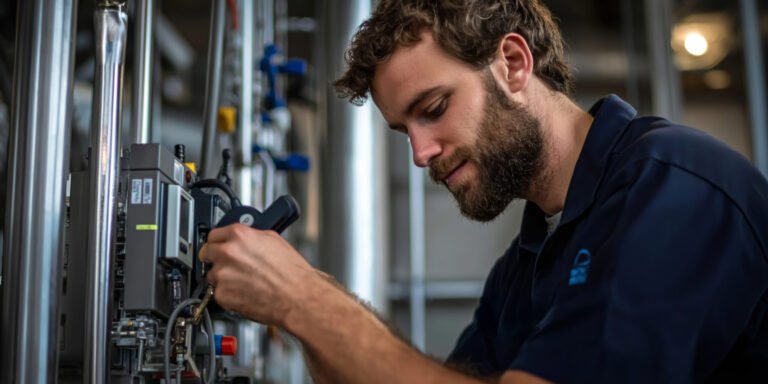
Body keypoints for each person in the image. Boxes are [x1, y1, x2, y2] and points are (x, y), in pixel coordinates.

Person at [199, 0, 768, 382]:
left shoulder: (671, 186)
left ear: (514, 64)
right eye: (404, 130)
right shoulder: (525, 267)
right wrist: (296, 305)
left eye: (434, 109)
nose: (420, 153)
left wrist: (305, 299)